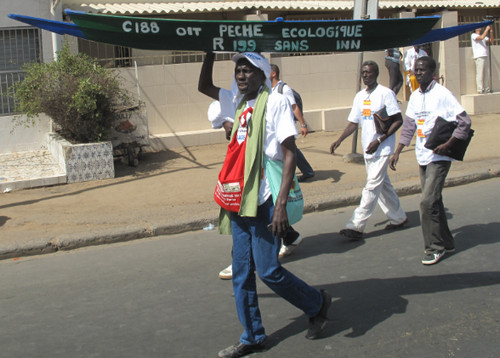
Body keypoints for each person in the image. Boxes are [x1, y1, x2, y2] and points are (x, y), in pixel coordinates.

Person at [199, 52, 331, 358]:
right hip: (239, 200)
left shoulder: (275, 103)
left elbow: (289, 154)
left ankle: (316, 302)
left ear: (262, 74)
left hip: (265, 199)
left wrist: (281, 205)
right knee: (242, 273)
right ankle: (253, 335)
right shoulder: (238, 101)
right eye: (237, 72)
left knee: (270, 271)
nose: (240, 76)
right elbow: (204, 85)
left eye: (246, 71)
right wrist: (207, 50)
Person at [390, 56, 472, 265]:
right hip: (422, 155)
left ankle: (434, 248)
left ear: (432, 72)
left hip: (439, 156)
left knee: (426, 202)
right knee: (434, 200)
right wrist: (398, 150)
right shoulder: (416, 96)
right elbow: (409, 125)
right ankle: (447, 242)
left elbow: (464, 122)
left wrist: (448, 144)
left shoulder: (443, 94)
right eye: (416, 70)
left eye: (422, 70)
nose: (418, 73)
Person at [330, 61, 407, 240]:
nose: (365, 75)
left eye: (369, 72)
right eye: (363, 73)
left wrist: (380, 139)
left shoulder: (385, 94)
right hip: (368, 149)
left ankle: (356, 224)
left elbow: (398, 120)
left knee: (372, 185)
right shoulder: (359, 96)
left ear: (376, 73)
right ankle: (398, 217)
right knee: (382, 185)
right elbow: (354, 122)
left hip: (382, 148)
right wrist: (339, 139)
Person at [270, 64, 315, 183]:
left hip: (285, 125)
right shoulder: (270, 89)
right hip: (276, 126)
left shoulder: (284, 89)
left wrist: (303, 124)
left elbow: (294, 107)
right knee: (290, 149)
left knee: (290, 150)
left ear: (273, 73)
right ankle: (306, 171)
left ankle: (296, 174)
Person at [471, 26, 493, 94]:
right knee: (480, 73)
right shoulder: (473, 35)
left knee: (487, 73)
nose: (479, 28)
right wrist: (486, 29)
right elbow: (481, 38)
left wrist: (491, 32)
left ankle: (487, 88)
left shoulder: (483, 35)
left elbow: (491, 41)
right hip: (479, 56)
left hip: (485, 55)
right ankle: (480, 89)